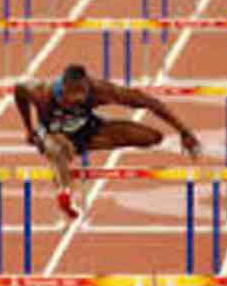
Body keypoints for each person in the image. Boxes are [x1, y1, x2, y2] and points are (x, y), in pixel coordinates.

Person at [14, 64, 202, 219]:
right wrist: (29, 128)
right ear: (62, 90)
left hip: (87, 130)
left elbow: (150, 102)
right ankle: (65, 191)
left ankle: (72, 150)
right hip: (51, 133)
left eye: (80, 98)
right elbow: (18, 90)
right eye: (69, 98)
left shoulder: (99, 90)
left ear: (87, 89)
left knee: (151, 137)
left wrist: (184, 131)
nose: (74, 101)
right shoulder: (41, 92)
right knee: (56, 149)